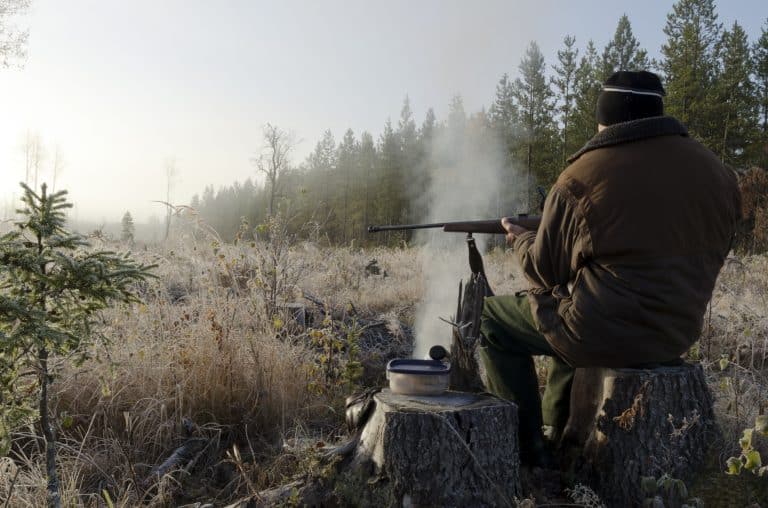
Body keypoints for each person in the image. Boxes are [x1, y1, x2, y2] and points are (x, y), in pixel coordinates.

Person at [479, 70, 741, 467]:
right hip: (674, 335)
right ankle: (559, 429)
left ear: (607, 117)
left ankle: (528, 449)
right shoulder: (717, 173)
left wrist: (522, 239)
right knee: (573, 304)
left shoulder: (582, 176)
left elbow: (543, 270)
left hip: (603, 335)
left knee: (492, 319)